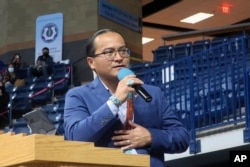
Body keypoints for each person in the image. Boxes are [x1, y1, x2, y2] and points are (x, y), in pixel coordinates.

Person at [63, 29, 190, 167]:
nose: (118, 58)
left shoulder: (152, 94)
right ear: (91, 62)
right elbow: (76, 138)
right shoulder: (78, 95)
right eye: (109, 52)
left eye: (123, 51)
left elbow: (181, 137)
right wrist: (115, 101)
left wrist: (151, 137)